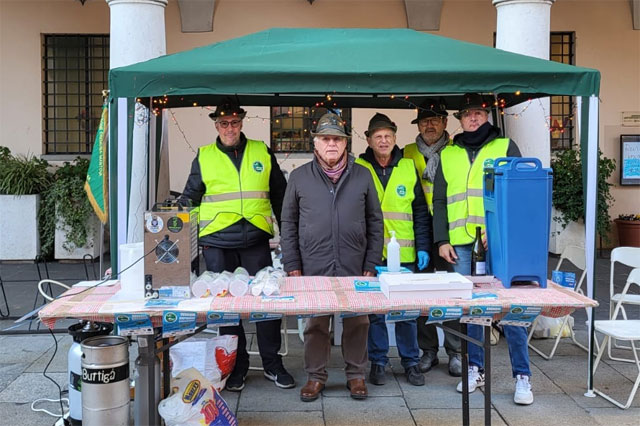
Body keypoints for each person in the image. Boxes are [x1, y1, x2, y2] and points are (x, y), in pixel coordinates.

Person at [179, 97, 294, 392]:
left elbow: (280, 196)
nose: (229, 128)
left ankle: (272, 364)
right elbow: (190, 199)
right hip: (217, 243)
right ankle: (236, 366)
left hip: (256, 239)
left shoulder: (261, 151)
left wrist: (289, 238)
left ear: (241, 122)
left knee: (267, 305)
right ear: (216, 125)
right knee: (227, 311)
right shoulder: (203, 156)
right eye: (223, 123)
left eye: (234, 122)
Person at [432, 93, 534, 405]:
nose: (473, 118)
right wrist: (441, 240)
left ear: (487, 115)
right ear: (459, 120)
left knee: (512, 307)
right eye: (467, 114)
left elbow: (519, 194)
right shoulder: (448, 153)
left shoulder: (504, 147)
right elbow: (439, 200)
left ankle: (522, 376)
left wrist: (499, 230)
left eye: (478, 113)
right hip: (460, 244)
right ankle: (475, 368)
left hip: (499, 244)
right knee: (472, 309)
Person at [280, 112, 383, 402]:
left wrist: (371, 264)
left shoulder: (362, 174)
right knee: (315, 323)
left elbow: (375, 221)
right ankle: (315, 377)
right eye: (325, 139)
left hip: (354, 262)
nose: (331, 144)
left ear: (346, 144)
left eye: (337, 139)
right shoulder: (299, 177)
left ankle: (356, 375)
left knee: (358, 321)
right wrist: (292, 265)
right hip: (313, 263)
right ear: (315, 144)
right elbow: (288, 223)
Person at [355, 113, 431, 387]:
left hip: (406, 254)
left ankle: (411, 362)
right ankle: (378, 361)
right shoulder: (359, 168)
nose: (384, 140)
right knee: (375, 313)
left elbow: (420, 212)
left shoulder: (408, 167)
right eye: (378, 136)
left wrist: (423, 246)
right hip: (373, 254)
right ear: (369, 140)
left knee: (406, 313)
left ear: (395, 138)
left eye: (388, 136)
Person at [403, 98, 463, 377]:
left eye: (435, 120)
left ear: (445, 123)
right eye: (425, 120)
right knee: (422, 295)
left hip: (450, 229)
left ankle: (455, 351)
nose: (429, 125)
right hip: (418, 231)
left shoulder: (457, 151)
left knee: (450, 292)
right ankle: (427, 351)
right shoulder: (406, 153)